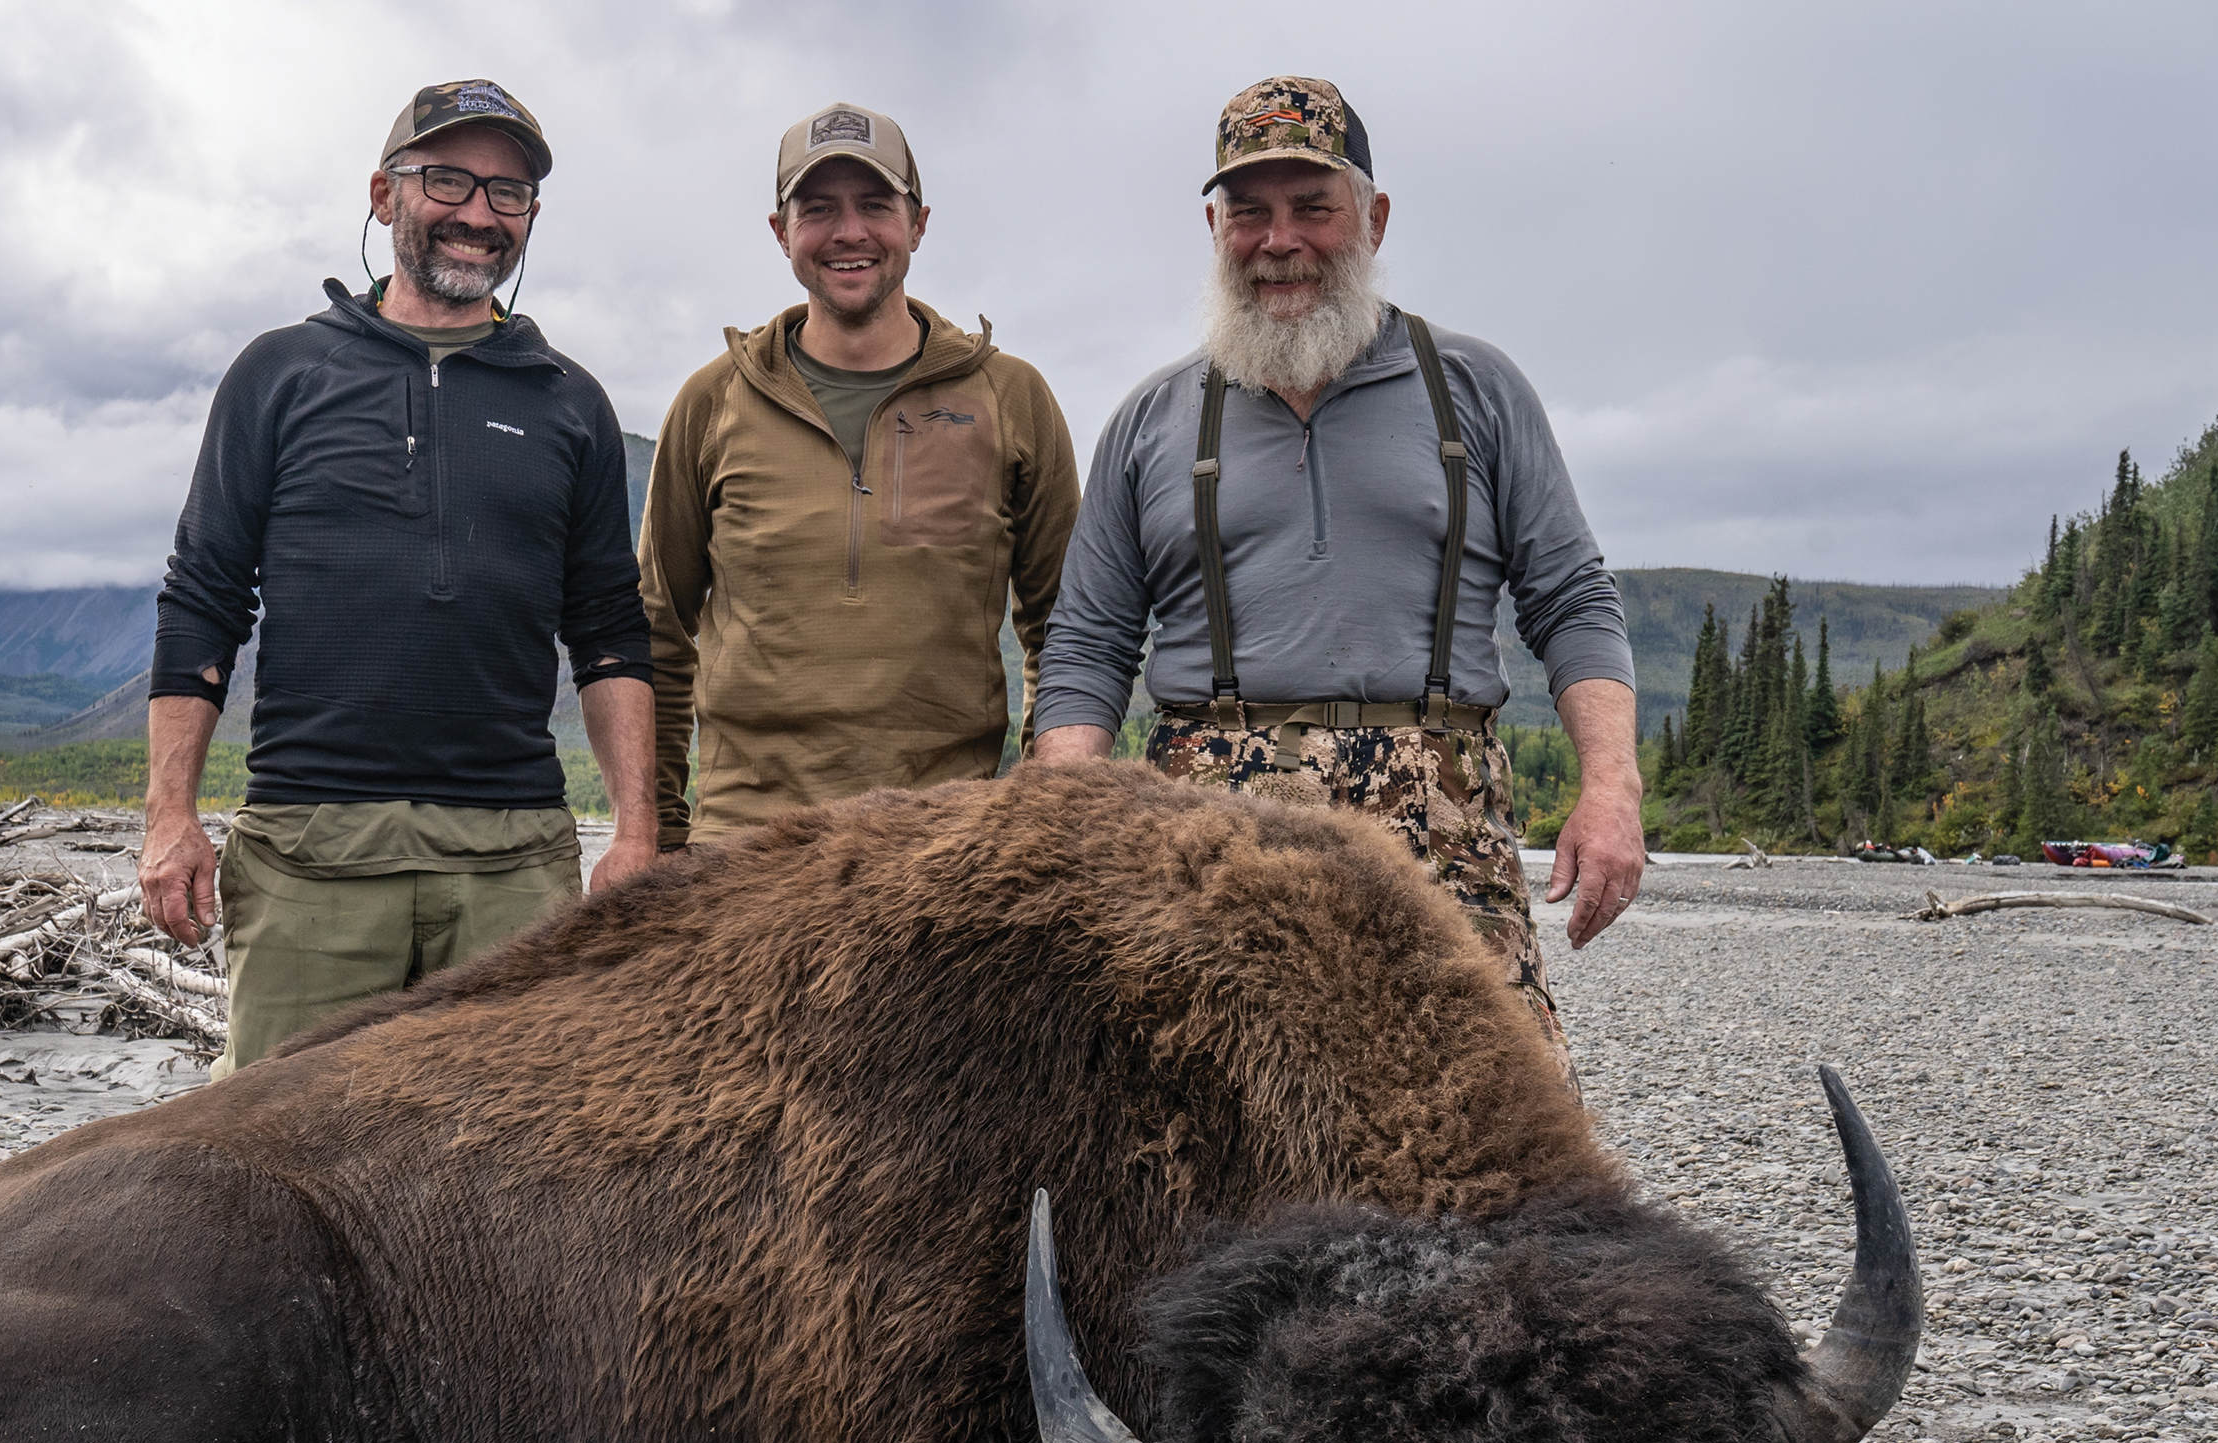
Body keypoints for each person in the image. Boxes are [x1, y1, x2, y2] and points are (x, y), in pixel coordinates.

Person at [1023, 76, 1643, 1042]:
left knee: (1496, 1143)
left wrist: (1611, 789)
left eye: (1313, 207)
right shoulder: (1150, 420)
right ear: (1214, 225)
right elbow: (1088, 646)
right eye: (1249, 212)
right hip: (1202, 838)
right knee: (1199, 1144)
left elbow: (1571, 600)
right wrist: (1063, 823)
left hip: (1441, 831)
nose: (1280, 241)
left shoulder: (1475, 389)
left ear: (1374, 217)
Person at [141, 79, 660, 1072]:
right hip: (308, 855)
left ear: (532, 219)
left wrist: (635, 834)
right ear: (384, 196)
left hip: (513, 862)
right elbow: (204, 599)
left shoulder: (571, 404)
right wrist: (170, 817)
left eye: (508, 194)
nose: (477, 213)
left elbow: (606, 633)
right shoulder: (279, 375)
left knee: (518, 1164)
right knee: (275, 1170)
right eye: (448, 180)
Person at [635, 103, 1079, 845]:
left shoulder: (1013, 398)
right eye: (819, 210)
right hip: (740, 853)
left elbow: (1063, 626)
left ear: (919, 223)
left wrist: (1039, 817)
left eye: (876, 205)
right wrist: (656, 832)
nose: (850, 232)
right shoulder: (710, 403)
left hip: (943, 853)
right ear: (781, 233)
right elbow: (657, 629)